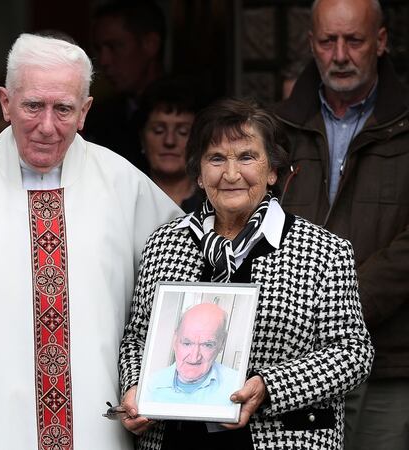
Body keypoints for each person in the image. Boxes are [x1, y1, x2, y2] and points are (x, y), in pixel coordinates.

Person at [0, 33, 182, 450]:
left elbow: (181, 296)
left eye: (64, 109)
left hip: (98, 423)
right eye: (33, 106)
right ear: (5, 103)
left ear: (85, 111)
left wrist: (153, 384)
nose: (47, 126)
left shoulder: (126, 188)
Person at [119, 98, 373, 449]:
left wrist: (270, 386)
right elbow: (137, 338)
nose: (231, 173)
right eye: (216, 158)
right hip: (175, 437)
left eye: (247, 157)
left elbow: (352, 353)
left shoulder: (323, 252)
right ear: (199, 172)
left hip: (280, 437)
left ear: (272, 171)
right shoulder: (165, 243)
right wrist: (137, 387)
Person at [272, 1, 409, 448]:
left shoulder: (405, 124)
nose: (340, 55)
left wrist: (343, 304)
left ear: (381, 42)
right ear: (312, 44)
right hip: (292, 362)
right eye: (328, 41)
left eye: (355, 40)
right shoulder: (278, 128)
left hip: (388, 356)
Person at [84, 0, 166, 172]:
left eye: (115, 47)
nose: (104, 60)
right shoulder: (97, 119)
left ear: (150, 44)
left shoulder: (190, 112)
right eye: (99, 49)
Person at [143, 303, 238, 406]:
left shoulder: (237, 386)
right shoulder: (149, 386)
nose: (194, 358)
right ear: (175, 340)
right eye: (187, 343)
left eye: (207, 345)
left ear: (222, 343)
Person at [136, 77, 202, 212]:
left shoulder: (216, 205)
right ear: (142, 138)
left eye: (183, 132)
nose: (169, 141)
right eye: (158, 130)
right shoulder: (125, 201)